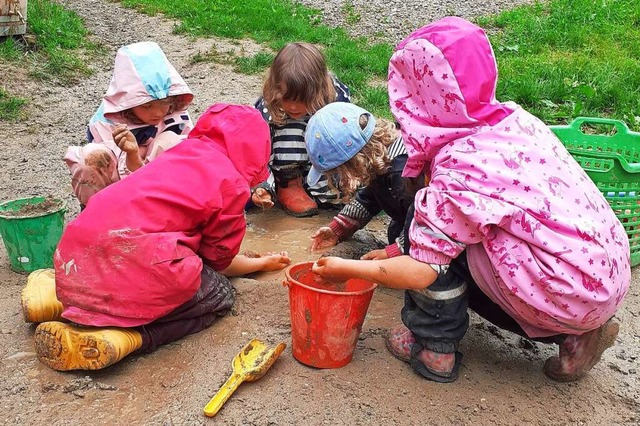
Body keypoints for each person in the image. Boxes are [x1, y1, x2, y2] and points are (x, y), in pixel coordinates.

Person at [311, 17, 631, 383]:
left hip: (562, 290)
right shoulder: (515, 120)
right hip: (603, 274)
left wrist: (348, 269)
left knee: (434, 246)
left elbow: (420, 269)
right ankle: (577, 336)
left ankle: (433, 349)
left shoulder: (455, 173)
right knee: (458, 236)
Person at [21, 104, 291, 371]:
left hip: (74, 256)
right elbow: (219, 262)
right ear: (256, 155)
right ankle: (129, 338)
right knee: (218, 294)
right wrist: (260, 264)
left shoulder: (179, 152)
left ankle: (54, 300)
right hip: (133, 260)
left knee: (127, 263)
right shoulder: (231, 184)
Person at [64, 41, 194, 207]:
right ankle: (95, 212)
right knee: (89, 159)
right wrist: (132, 155)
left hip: (164, 194)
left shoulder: (176, 115)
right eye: (147, 105)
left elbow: (191, 161)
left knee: (173, 142)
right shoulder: (106, 122)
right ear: (129, 101)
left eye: (165, 103)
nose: (158, 112)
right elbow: (112, 171)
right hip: (119, 194)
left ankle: (177, 212)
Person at [254, 42, 351, 217]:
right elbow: (257, 152)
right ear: (276, 88)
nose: (293, 106)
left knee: (338, 193)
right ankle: (289, 183)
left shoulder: (336, 99)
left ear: (319, 90)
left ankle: (322, 184)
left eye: (302, 99)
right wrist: (262, 184)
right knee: (287, 122)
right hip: (285, 162)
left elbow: (348, 138)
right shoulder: (269, 107)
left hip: (322, 162)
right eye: (287, 98)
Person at [306, 102, 415, 258]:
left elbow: (426, 223)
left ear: (353, 163)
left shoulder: (404, 172)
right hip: (413, 217)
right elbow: (369, 198)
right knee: (396, 231)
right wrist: (338, 229)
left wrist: (392, 252)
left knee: (436, 277)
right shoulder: (382, 157)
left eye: (338, 172)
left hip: (443, 232)